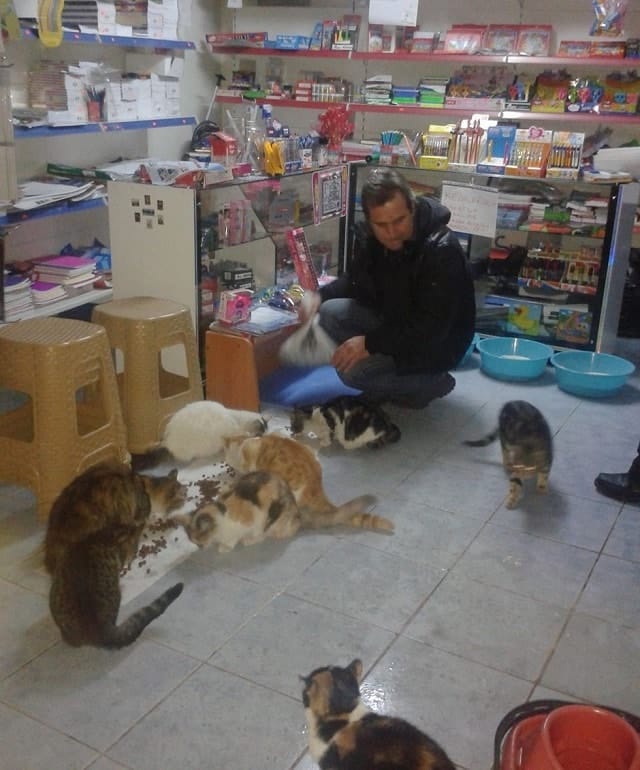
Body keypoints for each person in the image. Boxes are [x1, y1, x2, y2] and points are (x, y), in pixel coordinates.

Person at [301, 167, 476, 408]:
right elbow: (354, 280)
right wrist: (317, 298)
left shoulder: (442, 250)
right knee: (329, 312)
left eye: (399, 221)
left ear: (412, 208)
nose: (392, 233)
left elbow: (431, 329)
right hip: (397, 322)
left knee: (353, 374)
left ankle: (431, 381)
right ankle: (392, 376)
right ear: (370, 221)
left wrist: (370, 344)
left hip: (438, 344)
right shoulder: (372, 238)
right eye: (381, 225)